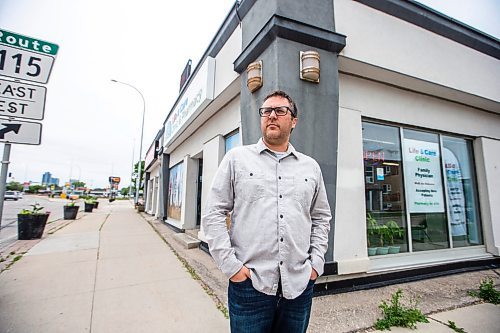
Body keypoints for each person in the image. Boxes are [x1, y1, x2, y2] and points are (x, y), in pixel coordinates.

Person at [202, 90, 332, 333]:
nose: (272, 115)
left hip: (299, 284)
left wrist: (316, 264)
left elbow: (321, 217)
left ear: (293, 121)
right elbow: (213, 213)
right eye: (266, 111)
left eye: (280, 111)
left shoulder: (310, 167)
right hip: (250, 286)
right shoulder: (236, 159)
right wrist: (232, 268)